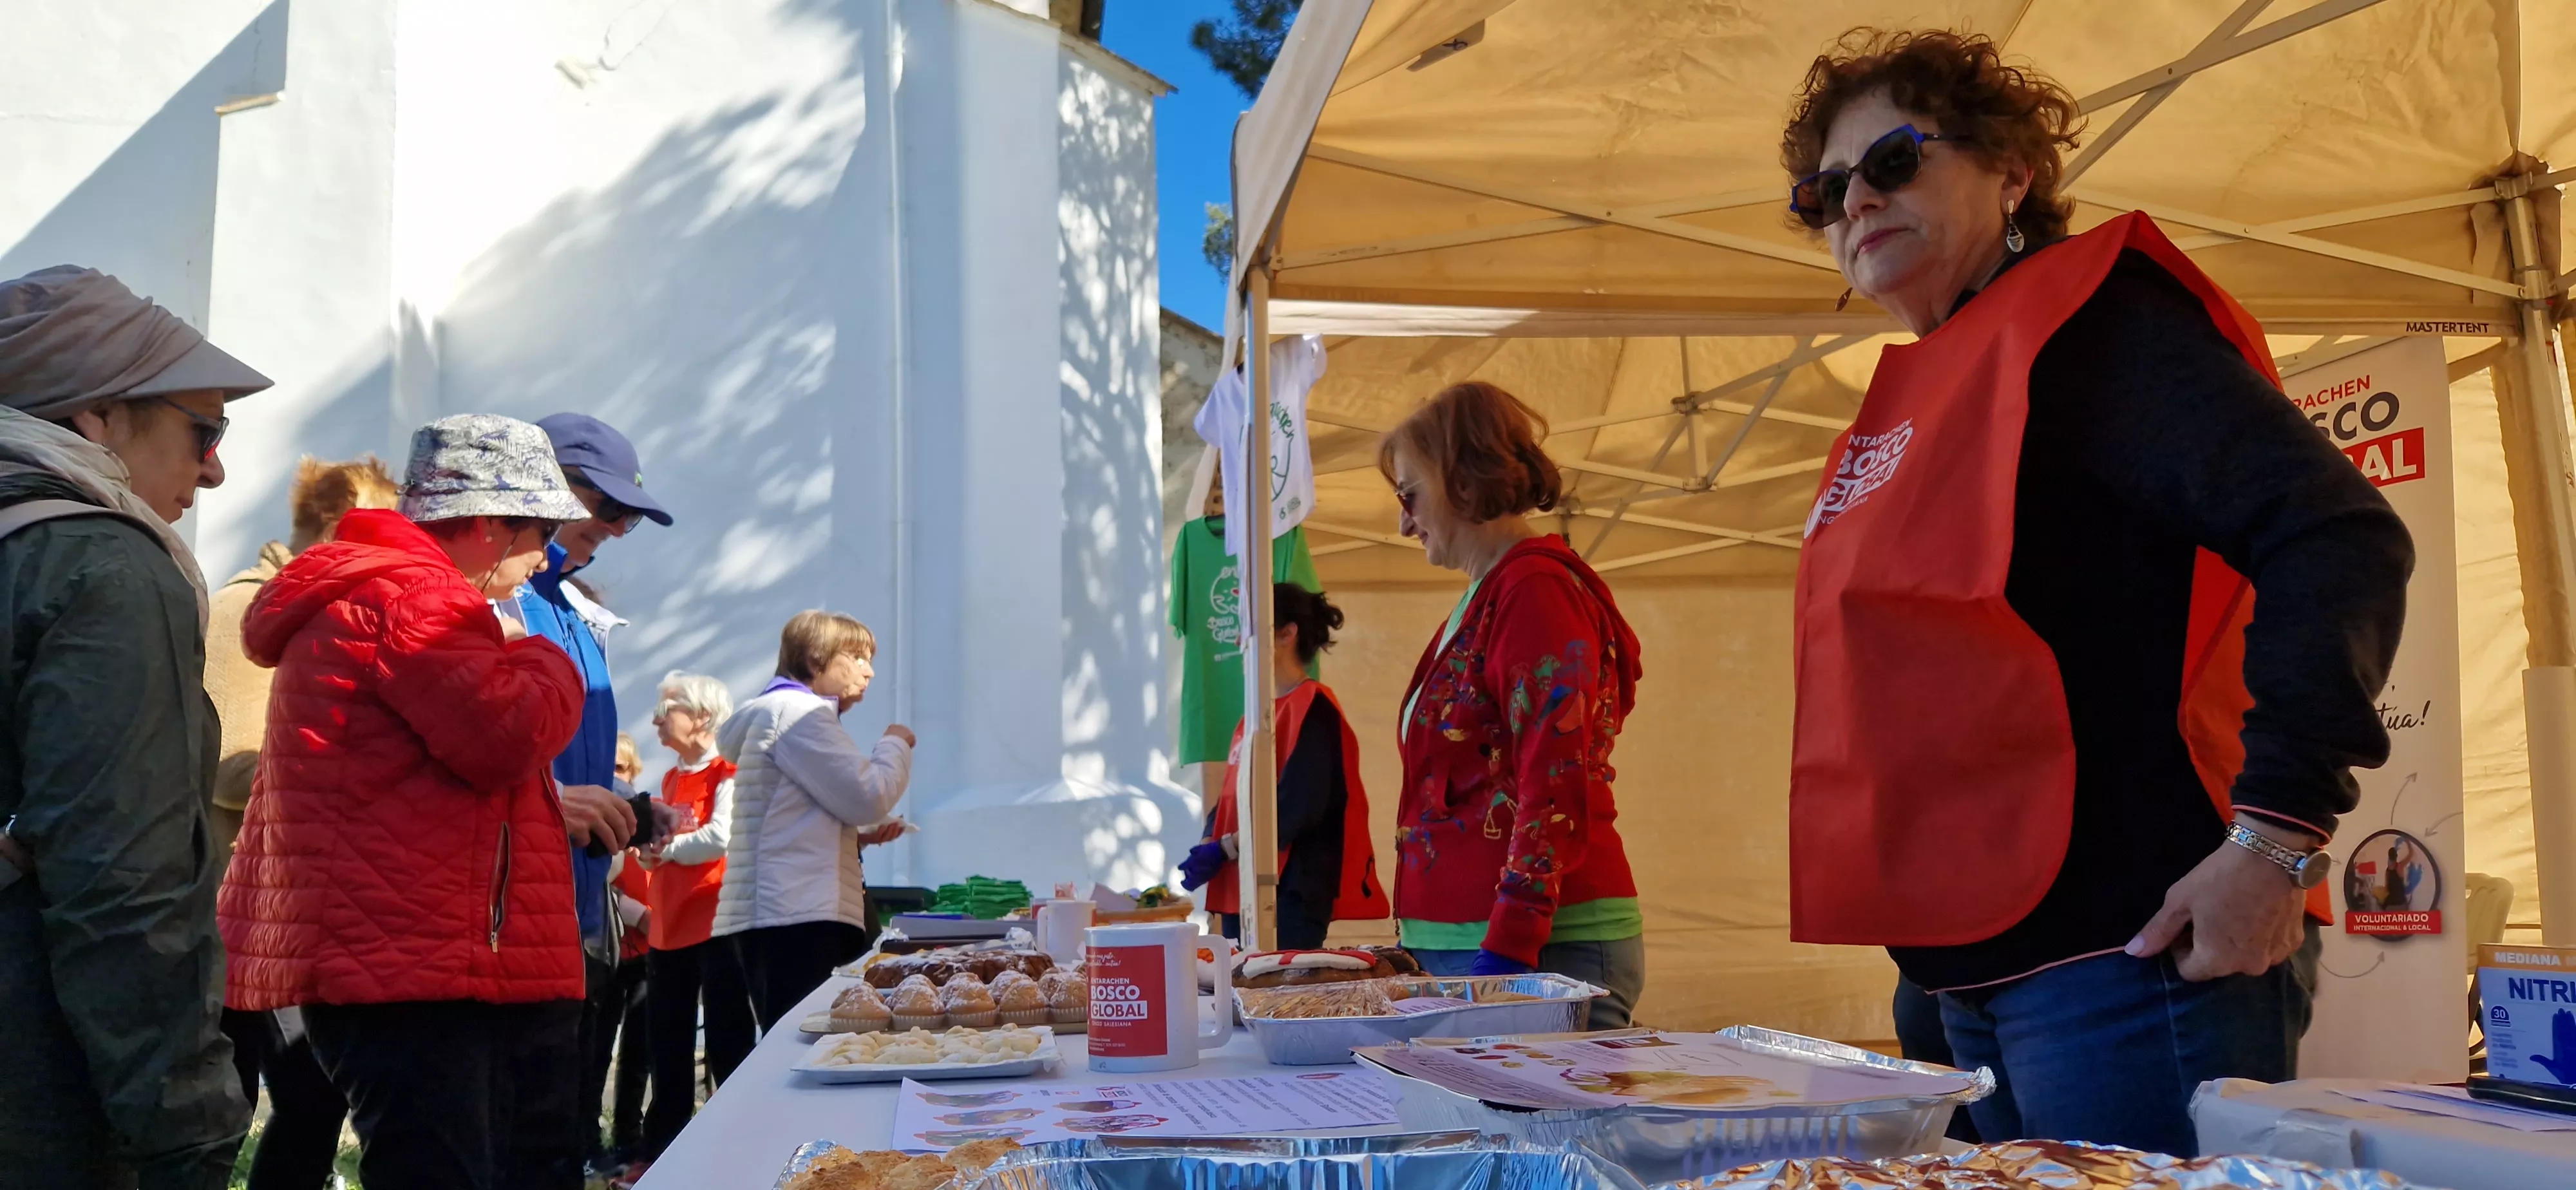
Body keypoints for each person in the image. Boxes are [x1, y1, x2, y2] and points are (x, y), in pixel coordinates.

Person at [1779, 30, 2410, 1154]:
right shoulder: (1929, 381)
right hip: (1955, 976)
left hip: (2128, 958)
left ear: (2012, 172)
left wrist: (2274, 839)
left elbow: (2337, 534)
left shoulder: (2092, 331)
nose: (1854, 203)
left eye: (1893, 162)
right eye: (1824, 191)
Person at [220, 414, 605, 1190]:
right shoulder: (414, 599)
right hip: (411, 966)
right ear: (490, 524)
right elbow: (509, 733)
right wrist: (544, 653)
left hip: (412, 956)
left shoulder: (396, 593)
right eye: (540, 533)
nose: (546, 557)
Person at [0, 265, 269, 1189]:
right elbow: (121, 873)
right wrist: (187, 1120)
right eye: (206, 429)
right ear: (95, 421)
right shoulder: (101, 568)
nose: (217, 464)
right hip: (41, 1088)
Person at [1378, 381, 1647, 1029]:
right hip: (1484, 946)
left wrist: (1509, 944)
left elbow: (1555, 778)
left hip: (1539, 948)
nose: (1403, 523)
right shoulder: (1492, 592)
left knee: (1547, 1131)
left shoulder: (1533, 590)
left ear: (1462, 481)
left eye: (1409, 496)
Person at [207, 456, 394, 1190]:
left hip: (284, 907)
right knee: (280, 1100)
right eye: (378, 529)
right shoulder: (246, 608)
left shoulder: (307, 610)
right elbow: (225, 765)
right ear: (336, 519)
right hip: (241, 908)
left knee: (310, 1101)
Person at [512, 413, 672, 1175]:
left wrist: (623, 812)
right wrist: (552, 805)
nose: (614, 529)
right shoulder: (504, 602)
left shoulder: (571, 609)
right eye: (604, 509)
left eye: (628, 518)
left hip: (571, 917)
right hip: (508, 919)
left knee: (557, 1138)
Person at [715, 611, 915, 1028]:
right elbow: (869, 794)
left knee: (800, 1037)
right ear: (815, 661)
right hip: (794, 915)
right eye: (858, 657)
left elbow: (788, 816)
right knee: (801, 1042)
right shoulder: (797, 713)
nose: (870, 671)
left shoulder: (785, 713)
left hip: (784, 910)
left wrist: (856, 835)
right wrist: (895, 744)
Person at [1178, 584, 1388, 950]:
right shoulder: (1255, 716)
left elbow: (1298, 807)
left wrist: (1225, 849)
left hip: (1290, 894)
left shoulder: (1316, 708)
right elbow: (1233, 795)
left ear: (1287, 633)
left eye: (1250, 627)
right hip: (1239, 886)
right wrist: (1209, 839)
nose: (1240, 641)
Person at [634, 672, 757, 1167]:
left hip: (715, 921)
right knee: (666, 1040)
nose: (658, 720)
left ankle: (736, 1143)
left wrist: (664, 850)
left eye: (669, 709)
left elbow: (720, 837)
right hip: (669, 925)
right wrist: (648, 855)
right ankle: (663, 1149)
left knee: (728, 1037)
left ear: (702, 716)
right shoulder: (668, 779)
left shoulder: (726, 771)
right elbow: (664, 848)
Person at [590, 735, 654, 1173]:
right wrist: (637, 914)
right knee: (595, 1051)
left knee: (638, 1054)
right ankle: (587, 1140)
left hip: (648, 952)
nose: (619, 777)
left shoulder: (643, 826)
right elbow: (598, 886)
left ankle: (628, 1139)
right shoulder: (602, 828)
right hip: (610, 950)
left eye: (626, 769)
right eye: (612, 768)